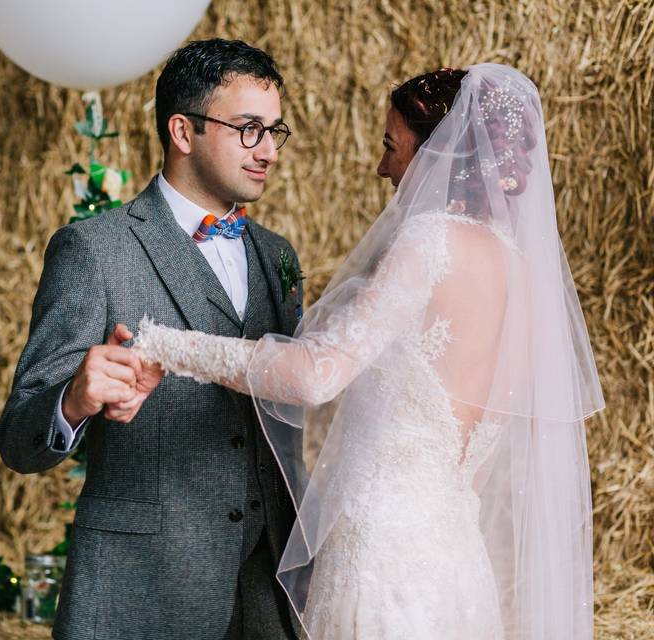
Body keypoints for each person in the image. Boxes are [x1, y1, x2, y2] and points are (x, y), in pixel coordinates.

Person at [132, 64, 605, 639]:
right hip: (455, 562)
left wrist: (163, 344)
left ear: (439, 156)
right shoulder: (522, 270)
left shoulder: (431, 240)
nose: (381, 165)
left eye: (392, 146)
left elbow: (313, 376)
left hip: (383, 554)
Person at [0, 39, 302, 640]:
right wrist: (73, 401)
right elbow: (18, 441)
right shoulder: (95, 251)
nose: (268, 150)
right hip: (142, 591)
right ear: (182, 131)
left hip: (270, 586)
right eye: (247, 129)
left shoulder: (278, 257)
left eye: (274, 130)